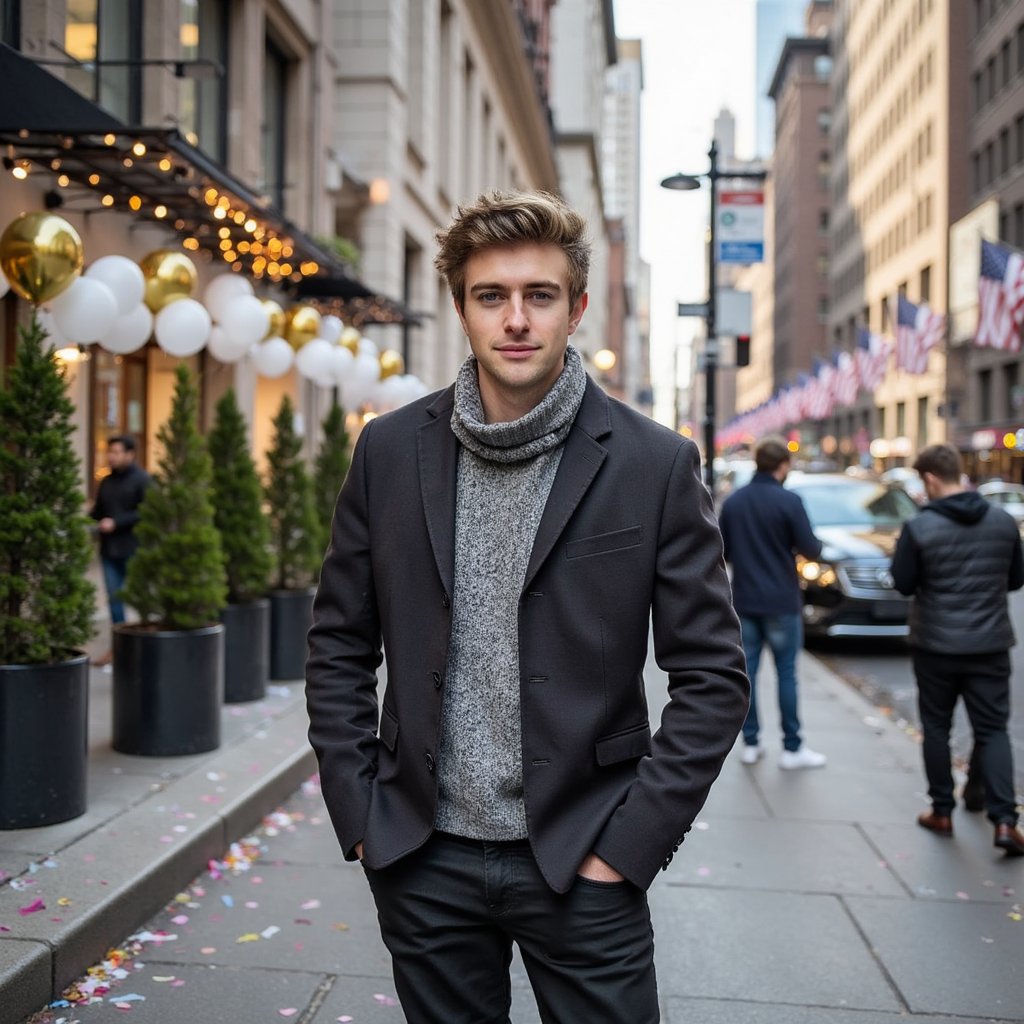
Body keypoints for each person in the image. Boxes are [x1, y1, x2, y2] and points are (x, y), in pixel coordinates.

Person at [306, 189, 750, 1022]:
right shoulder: (390, 450)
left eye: (539, 296)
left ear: (576, 308)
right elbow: (338, 641)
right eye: (491, 297)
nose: (516, 319)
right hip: (421, 857)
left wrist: (629, 845)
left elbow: (712, 679)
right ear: (462, 309)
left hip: (586, 855)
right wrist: (361, 811)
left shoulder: (654, 464)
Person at [890, 443, 1024, 856]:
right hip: (989, 645)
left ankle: (942, 811)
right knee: (992, 729)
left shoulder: (919, 526)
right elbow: (1016, 579)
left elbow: (904, 582)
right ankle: (1005, 821)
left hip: (936, 645)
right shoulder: (1002, 522)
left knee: (936, 727)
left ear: (930, 479)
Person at [718, 436, 828, 769]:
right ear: (783, 465)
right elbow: (811, 549)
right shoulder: (789, 501)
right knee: (786, 675)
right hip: (781, 600)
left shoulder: (735, 502)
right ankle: (792, 748)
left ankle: (751, 743)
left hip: (746, 599)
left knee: (747, 675)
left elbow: (724, 551)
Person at [89, 435, 150, 664]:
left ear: (129, 454)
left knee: (139, 598)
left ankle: (142, 646)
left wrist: (117, 522)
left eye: (116, 452)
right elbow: (98, 511)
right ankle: (119, 648)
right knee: (114, 600)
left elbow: (146, 511)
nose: (111, 456)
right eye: (109, 452)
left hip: (134, 549)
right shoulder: (106, 481)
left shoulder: (142, 480)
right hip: (109, 551)